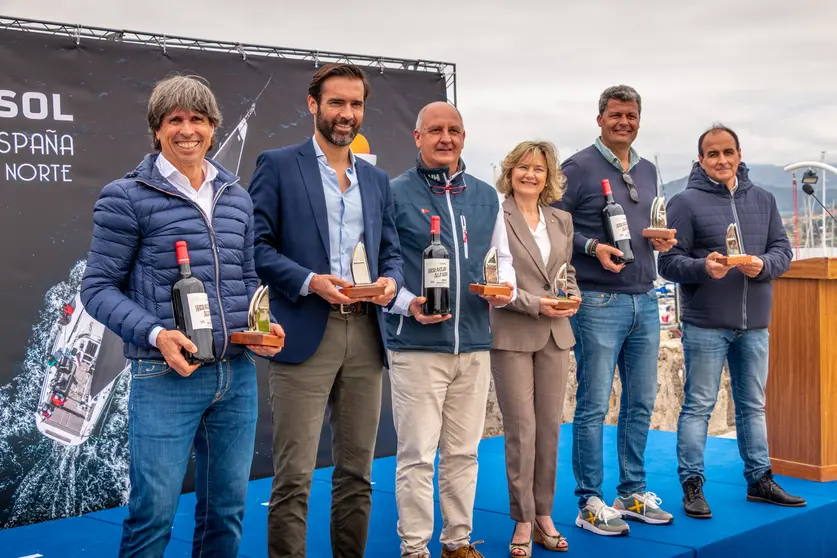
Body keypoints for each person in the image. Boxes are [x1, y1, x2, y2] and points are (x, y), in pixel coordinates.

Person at [80, 74, 285, 558]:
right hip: (163, 375)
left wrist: (263, 327)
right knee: (152, 516)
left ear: (213, 128)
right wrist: (157, 335)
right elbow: (96, 288)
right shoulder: (125, 196)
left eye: (198, 119)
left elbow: (246, 280)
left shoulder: (236, 196)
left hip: (235, 376)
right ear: (157, 130)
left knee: (227, 513)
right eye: (175, 120)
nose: (187, 130)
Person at [248, 63, 403, 558]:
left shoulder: (376, 179)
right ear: (313, 104)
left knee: (357, 473)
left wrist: (389, 282)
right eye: (336, 102)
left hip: (365, 336)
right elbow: (257, 247)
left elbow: (393, 252)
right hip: (304, 331)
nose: (347, 113)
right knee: (293, 476)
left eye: (355, 104)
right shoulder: (277, 164)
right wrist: (311, 281)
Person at [384, 101, 516, 558]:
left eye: (454, 130)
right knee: (417, 456)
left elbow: (503, 260)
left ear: (464, 137)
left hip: (475, 344)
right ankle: (415, 549)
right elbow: (383, 269)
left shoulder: (485, 194)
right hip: (416, 346)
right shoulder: (394, 193)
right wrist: (407, 304)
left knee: (464, 455)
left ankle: (457, 542)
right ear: (417, 137)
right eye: (435, 130)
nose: (446, 138)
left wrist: (506, 289)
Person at [657, 124, 806, 518]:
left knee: (753, 406)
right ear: (701, 159)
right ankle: (692, 485)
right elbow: (668, 263)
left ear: (739, 154)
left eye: (728, 152)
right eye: (712, 154)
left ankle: (760, 480)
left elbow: (783, 250)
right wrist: (704, 267)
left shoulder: (764, 199)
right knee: (699, 406)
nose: (721, 160)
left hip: (755, 323)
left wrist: (763, 265)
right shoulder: (684, 203)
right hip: (706, 323)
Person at [555, 85, 677, 536]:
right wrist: (590, 246)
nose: (623, 122)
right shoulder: (577, 167)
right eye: (615, 115)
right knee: (592, 406)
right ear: (600, 118)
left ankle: (631, 493)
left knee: (640, 403)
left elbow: (642, 229)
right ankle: (589, 501)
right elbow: (548, 228)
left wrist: (658, 238)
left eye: (631, 115)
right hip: (597, 302)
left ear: (639, 120)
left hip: (644, 298)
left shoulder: (647, 170)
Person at [489, 141, 579, 556]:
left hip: (556, 334)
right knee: (521, 432)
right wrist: (532, 303)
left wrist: (572, 295)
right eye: (523, 167)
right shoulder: (495, 214)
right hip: (512, 332)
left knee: (548, 431)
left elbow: (566, 272)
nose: (530, 174)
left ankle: (545, 514)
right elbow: (492, 278)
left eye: (539, 169)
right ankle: (523, 520)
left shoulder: (561, 219)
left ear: (549, 176)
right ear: (511, 172)